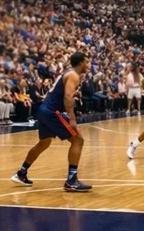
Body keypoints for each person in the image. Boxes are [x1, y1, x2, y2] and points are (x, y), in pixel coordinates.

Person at [12, 51, 92, 191]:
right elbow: (68, 97)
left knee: (44, 143)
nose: (88, 64)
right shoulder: (73, 75)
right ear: (80, 63)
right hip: (51, 111)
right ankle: (71, 181)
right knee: (78, 140)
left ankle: (21, 173)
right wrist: (72, 118)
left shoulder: (68, 72)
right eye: (87, 62)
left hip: (44, 110)